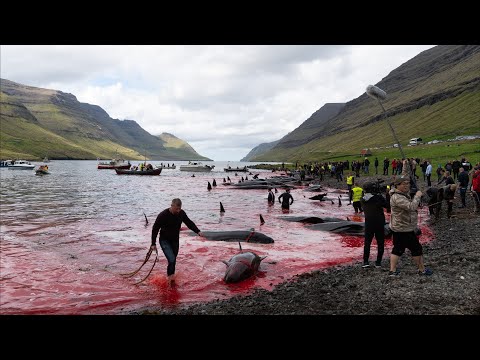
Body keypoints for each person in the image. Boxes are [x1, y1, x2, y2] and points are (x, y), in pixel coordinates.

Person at [151, 198, 204, 285]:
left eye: (179, 209)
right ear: (171, 206)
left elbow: (189, 223)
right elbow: (155, 229)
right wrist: (153, 243)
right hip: (164, 241)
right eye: (176, 209)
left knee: (173, 260)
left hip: (175, 240)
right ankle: (170, 280)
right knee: (171, 259)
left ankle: (171, 280)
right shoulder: (163, 215)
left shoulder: (181, 213)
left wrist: (198, 231)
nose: (178, 211)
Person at [388, 176, 432, 276]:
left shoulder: (401, 194)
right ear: (397, 185)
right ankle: (422, 270)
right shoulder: (397, 197)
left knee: (398, 249)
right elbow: (411, 207)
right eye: (404, 184)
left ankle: (392, 271)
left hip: (400, 227)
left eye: (408, 183)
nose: (407, 185)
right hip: (404, 228)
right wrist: (417, 196)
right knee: (416, 249)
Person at [360, 181, 387, 268]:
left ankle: (365, 262)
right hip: (379, 223)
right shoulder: (377, 198)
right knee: (380, 243)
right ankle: (378, 262)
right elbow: (387, 205)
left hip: (368, 223)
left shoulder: (362, 199)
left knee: (367, 243)